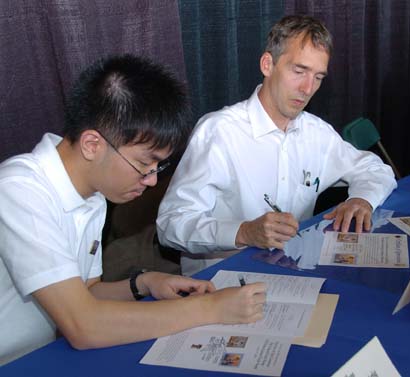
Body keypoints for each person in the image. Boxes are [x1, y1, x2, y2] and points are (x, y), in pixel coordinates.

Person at [0, 54, 266, 365]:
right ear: (92, 144)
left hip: (37, 357)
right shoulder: (19, 190)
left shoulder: (93, 194)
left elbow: (87, 293)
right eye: (143, 164)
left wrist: (144, 283)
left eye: (158, 166)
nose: (152, 180)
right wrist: (212, 310)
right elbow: (83, 324)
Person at [156, 15, 397, 276]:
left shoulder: (315, 133)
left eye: (318, 77)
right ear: (268, 64)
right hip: (221, 279)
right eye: (299, 71)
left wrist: (361, 199)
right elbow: (170, 226)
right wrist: (243, 232)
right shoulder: (218, 133)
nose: (307, 88)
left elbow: (375, 169)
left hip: (293, 271)